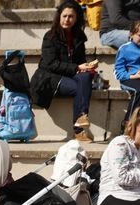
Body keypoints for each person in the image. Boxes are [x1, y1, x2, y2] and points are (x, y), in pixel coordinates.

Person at [30, 1, 96, 143]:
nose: (67, 19)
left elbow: (80, 62)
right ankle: (79, 130)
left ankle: (81, 119)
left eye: (71, 17)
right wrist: (77, 68)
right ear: (59, 17)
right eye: (64, 16)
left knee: (85, 78)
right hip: (49, 78)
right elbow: (50, 64)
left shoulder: (79, 37)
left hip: (70, 76)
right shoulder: (50, 36)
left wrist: (87, 68)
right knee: (82, 86)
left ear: (76, 18)